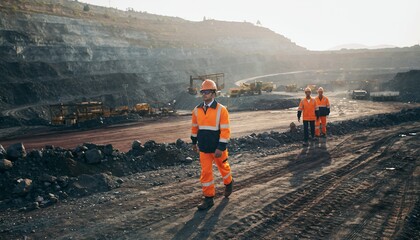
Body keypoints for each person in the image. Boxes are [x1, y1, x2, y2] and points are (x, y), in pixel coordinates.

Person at [191, 79, 233, 210]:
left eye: (207, 91)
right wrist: (194, 142)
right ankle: (208, 198)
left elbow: (225, 130)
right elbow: (194, 128)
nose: (204, 94)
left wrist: (220, 147)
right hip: (204, 148)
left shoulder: (222, 110)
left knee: (223, 167)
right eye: (203, 91)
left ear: (214, 93)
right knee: (206, 173)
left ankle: (229, 182)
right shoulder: (196, 110)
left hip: (217, 148)